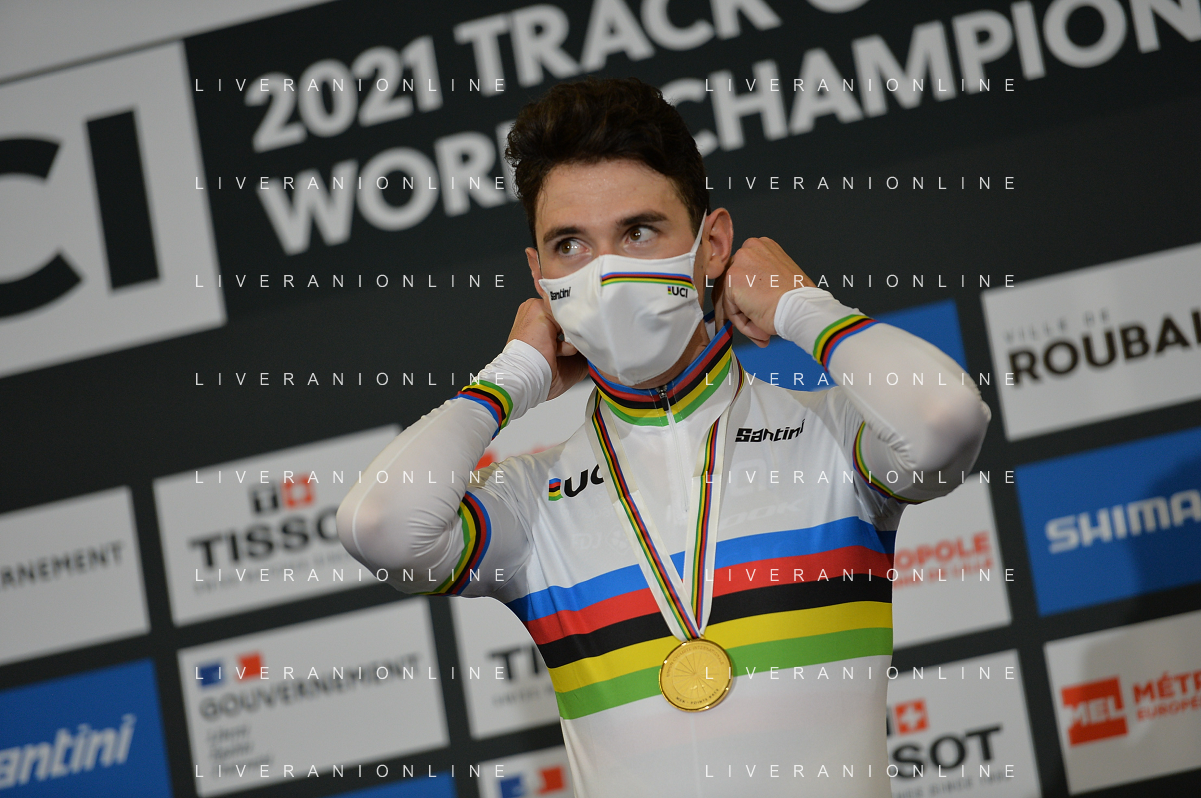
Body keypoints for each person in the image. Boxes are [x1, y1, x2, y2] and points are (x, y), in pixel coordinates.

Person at [336, 76, 991, 797]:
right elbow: (380, 526)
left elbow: (946, 422)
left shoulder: (830, 435)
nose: (606, 273)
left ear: (712, 245)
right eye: (569, 245)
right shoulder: (530, 500)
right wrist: (513, 374)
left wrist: (800, 306)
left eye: (638, 233)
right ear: (539, 277)